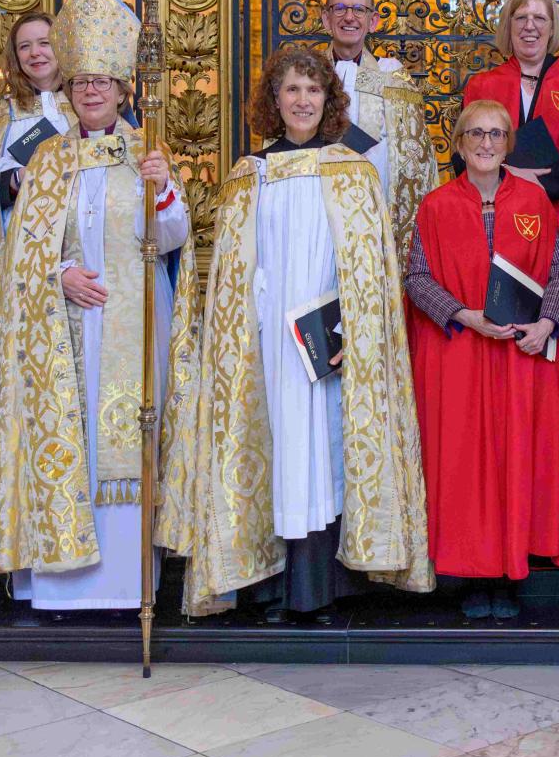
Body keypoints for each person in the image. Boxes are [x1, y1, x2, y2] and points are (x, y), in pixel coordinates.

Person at [160, 44, 432, 620]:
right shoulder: (248, 174)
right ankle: (273, 586)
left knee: (329, 452)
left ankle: (327, 586)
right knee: (280, 449)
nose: (303, 100)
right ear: (274, 101)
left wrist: (344, 333)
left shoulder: (354, 172)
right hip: (269, 343)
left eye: (313, 90)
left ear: (329, 100)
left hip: (332, 343)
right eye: (292, 90)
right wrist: (249, 327)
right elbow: (235, 270)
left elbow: (371, 271)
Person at [0, 0, 195, 613]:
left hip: (135, 319)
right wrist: (60, 272)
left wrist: (161, 191)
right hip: (65, 322)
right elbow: (20, 248)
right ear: (68, 90)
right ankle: (59, 578)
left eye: (103, 81)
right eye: (81, 83)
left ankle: (129, 581)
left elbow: (177, 236)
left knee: (129, 432)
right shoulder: (47, 160)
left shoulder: (145, 154)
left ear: (123, 89)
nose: (92, 91)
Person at [405, 99, 559, 619]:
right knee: (466, 462)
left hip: (519, 357)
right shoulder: (435, 205)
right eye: (475, 134)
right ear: (458, 144)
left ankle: (511, 570)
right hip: (462, 354)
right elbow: (415, 278)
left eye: (496, 135)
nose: (485, 143)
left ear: (508, 145)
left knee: (517, 456)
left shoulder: (534, 202)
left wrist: (547, 323)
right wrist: (461, 313)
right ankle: (472, 574)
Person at [461, 0, 559, 247]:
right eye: (521, 18)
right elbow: (462, 156)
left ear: (551, 28)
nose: (530, 26)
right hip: (494, 220)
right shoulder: (482, 86)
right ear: (508, 26)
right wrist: (508, 174)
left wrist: (537, 180)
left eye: (539, 18)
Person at [322, 0, 439, 257]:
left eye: (359, 10)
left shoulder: (393, 77)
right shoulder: (308, 76)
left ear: (373, 21)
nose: (349, 17)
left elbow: (415, 157)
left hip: (377, 211)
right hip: (321, 209)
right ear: (326, 19)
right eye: (339, 8)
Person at [0, 11, 74, 279]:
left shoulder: (86, 103)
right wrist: (16, 179)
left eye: (44, 43)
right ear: (15, 57)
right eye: (24, 47)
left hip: (78, 237)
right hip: (22, 245)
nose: (35, 53)